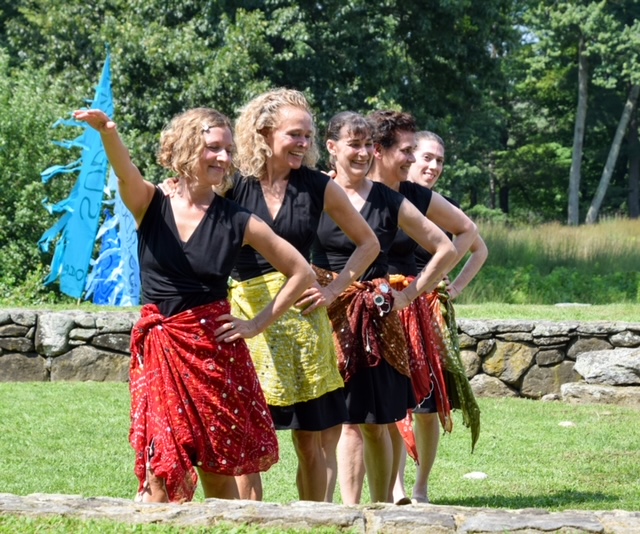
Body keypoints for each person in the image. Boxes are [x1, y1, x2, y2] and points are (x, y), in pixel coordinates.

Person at [73, 107, 316, 503]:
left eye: (228, 150)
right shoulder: (150, 203)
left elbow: (300, 271)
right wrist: (108, 132)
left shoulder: (238, 220)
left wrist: (256, 323)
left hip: (214, 356)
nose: (224, 158)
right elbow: (124, 172)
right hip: (162, 351)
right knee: (160, 470)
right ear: (186, 149)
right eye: (213, 148)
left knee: (217, 472)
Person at [228, 90, 380, 502]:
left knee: (312, 441)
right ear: (264, 133)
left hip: (305, 324)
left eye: (308, 136)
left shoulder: (316, 186)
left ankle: (315, 521)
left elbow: (369, 244)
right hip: (248, 322)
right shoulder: (232, 183)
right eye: (295, 134)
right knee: (248, 439)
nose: (303, 144)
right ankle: (250, 526)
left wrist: (333, 290)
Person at [313, 111, 457, 504]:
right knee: (341, 424)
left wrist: (409, 296)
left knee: (376, 423)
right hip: (325, 317)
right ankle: (345, 513)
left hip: (375, 320)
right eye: (353, 145)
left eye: (366, 146)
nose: (361, 154)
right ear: (331, 147)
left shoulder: (389, 200)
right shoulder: (316, 191)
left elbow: (446, 247)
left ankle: (382, 514)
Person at [389, 128, 487, 504]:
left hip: (427, 310)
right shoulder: (384, 196)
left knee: (427, 405)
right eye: (426, 157)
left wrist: (453, 287)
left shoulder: (434, 203)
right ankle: (395, 488)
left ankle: (421, 486)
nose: (432, 166)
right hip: (392, 304)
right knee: (392, 403)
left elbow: (477, 246)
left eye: (439, 160)